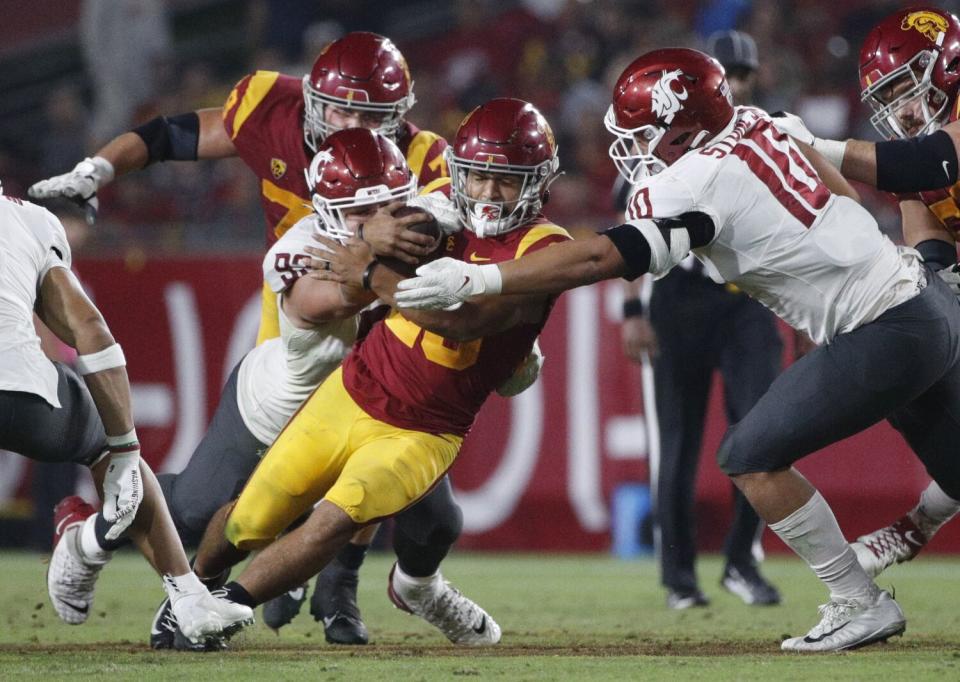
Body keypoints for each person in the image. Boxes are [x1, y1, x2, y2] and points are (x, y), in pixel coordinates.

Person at [378, 48, 960, 652]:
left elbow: (605, 256)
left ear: (682, 130)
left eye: (642, 134)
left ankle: (857, 602)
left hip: (884, 326)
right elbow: (851, 200)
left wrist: (482, 277)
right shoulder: (758, 122)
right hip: (926, 301)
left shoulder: (695, 178)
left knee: (749, 456)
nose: (633, 149)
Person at [29, 31, 456, 646]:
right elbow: (174, 135)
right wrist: (98, 168)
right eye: (342, 109)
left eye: (372, 116)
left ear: (399, 117)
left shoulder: (422, 159)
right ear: (311, 100)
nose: (353, 128)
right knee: (221, 500)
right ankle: (132, 542)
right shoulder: (273, 122)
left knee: (416, 492)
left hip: (384, 318)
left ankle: (332, 579)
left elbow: (450, 222)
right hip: (310, 305)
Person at [189, 97, 566, 648]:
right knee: (250, 518)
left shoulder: (543, 248)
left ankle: (223, 610)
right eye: (478, 175)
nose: (486, 193)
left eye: (505, 180)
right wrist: (373, 239)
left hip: (424, 428)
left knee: (345, 521)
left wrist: (369, 270)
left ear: (537, 181)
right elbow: (366, 240)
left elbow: (457, 323)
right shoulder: (428, 209)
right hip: (348, 390)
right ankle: (189, 595)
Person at [0, 186, 253, 647]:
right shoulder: (28, 221)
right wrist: (124, 447)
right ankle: (188, 596)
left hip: (20, 384)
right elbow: (89, 328)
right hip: (21, 392)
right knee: (104, 445)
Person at [771, 5, 960, 578]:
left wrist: (818, 147)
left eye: (906, 86)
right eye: (889, 95)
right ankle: (916, 525)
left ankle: (915, 525)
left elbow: (934, 160)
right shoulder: (919, 159)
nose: (900, 108)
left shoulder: (933, 149)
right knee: (911, 360)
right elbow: (931, 242)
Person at [617, 29, 781, 610]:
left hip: (750, 299)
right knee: (677, 447)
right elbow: (632, 230)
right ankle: (679, 579)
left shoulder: (768, 129)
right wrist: (633, 307)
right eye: (726, 75)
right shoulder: (661, 141)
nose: (736, 85)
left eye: (742, 76)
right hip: (679, 301)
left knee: (764, 436)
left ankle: (742, 561)